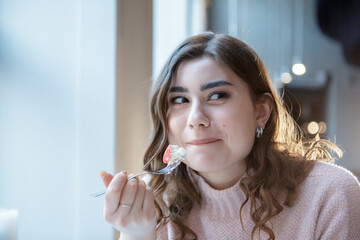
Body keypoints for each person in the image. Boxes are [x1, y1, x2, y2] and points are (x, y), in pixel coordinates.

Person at [100, 32, 360, 240]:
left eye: (216, 95)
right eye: (179, 99)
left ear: (261, 111)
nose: (195, 119)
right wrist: (136, 236)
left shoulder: (330, 194)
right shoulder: (153, 203)